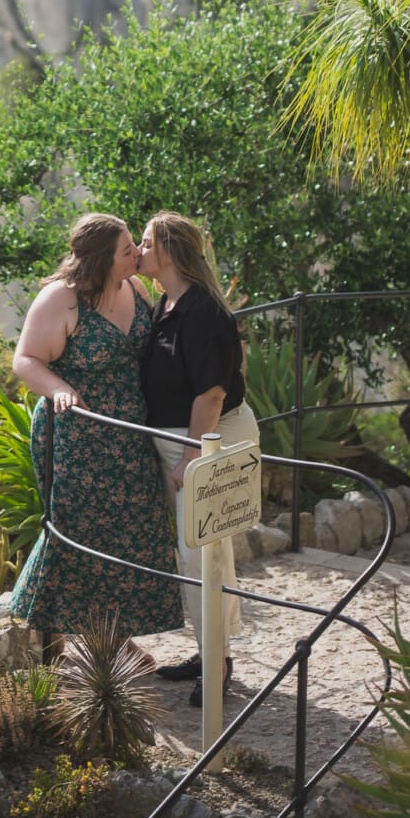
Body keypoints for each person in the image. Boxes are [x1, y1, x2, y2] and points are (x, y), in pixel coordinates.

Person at [8, 211, 185, 647]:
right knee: (83, 537)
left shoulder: (135, 287)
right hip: (79, 437)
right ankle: (92, 646)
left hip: (132, 436)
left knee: (134, 535)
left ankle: (117, 642)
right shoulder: (60, 300)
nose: (138, 254)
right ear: (100, 260)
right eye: (127, 251)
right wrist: (60, 389)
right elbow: (25, 361)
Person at [138, 210, 259, 709]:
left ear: (168, 250)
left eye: (145, 242)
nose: (139, 250)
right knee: (207, 554)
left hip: (210, 440)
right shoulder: (166, 302)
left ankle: (217, 665)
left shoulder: (204, 312)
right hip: (185, 442)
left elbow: (211, 395)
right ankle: (211, 652)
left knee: (201, 553)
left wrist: (190, 458)